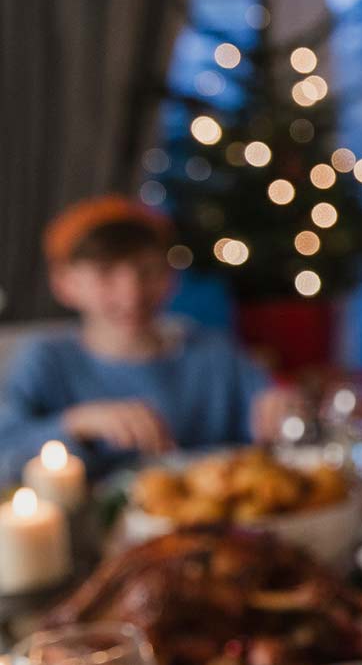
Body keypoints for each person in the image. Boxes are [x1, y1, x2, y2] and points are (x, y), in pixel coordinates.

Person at [0, 197, 292, 481]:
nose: (132, 293)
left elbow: (273, 409)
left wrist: (284, 408)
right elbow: (6, 455)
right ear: (64, 283)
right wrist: (78, 424)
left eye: (147, 271)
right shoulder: (45, 360)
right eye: (106, 273)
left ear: (171, 276)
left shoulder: (213, 351)